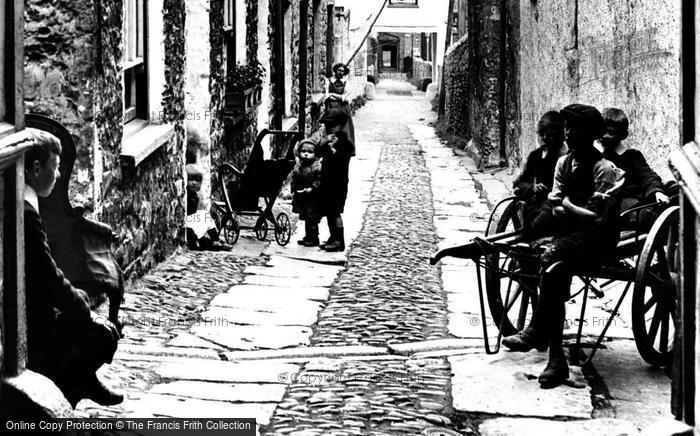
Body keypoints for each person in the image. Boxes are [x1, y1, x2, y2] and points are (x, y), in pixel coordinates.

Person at [502, 104, 625, 389]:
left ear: (591, 135)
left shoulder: (603, 169)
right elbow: (555, 208)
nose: (568, 134)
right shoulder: (563, 164)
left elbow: (598, 221)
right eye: (567, 128)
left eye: (576, 129)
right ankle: (556, 359)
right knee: (553, 268)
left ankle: (538, 331)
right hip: (570, 236)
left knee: (552, 256)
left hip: (599, 242)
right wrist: (572, 208)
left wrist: (569, 206)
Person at [24, 128, 123, 408]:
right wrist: (83, 308)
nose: (57, 176)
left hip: (36, 309)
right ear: (35, 168)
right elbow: (48, 276)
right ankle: (65, 398)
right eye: (55, 168)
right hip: (33, 324)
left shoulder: (27, 202)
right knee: (104, 335)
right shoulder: (27, 213)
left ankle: (83, 381)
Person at [599, 108, 672, 231]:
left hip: (637, 201)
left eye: (611, 132)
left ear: (622, 135)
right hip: (616, 207)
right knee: (643, 215)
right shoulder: (597, 158)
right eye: (602, 131)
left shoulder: (632, 155)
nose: (605, 136)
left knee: (672, 188)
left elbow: (646, 176)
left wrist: (656, 192)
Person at [512, 111, 568, 237]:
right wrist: (533, 188)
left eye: (549, 136)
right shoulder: (535, 156)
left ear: (560, 137)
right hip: (535, 204)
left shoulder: (567, 158)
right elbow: (519, 183)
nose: (544, 139)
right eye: (541, 134)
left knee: (544, 217)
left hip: (556, 208)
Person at [318, 108, 356, 252]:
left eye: (332, 126)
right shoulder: (328, 139)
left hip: (338, 183)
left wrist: (334, 149)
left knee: (335, 212)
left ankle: (339, 240)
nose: (330, 129)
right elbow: (317, 153)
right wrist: (324, 142)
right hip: (327, 181)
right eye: (327, 126)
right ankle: (332, 237)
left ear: (341, 125)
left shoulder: (345, 142)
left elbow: (343, 159)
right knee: (328, 211)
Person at [186, 164, 231, 251]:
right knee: (192, 231)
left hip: (191, 218)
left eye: (197, 180)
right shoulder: (186, 195)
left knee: (205, 216)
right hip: (186, 223)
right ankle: (208, 243)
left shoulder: (195, 195)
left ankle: (216, 238)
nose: (194, 183)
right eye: (191, 179)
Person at [292, 139, 323, 246]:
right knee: (305, 216)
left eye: (310, 152)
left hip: (313, 197)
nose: (306, 154)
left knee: (312, 217)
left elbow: (319, 179)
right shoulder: (299, 165)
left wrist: (313, 188)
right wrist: (293, 188)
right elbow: (295, 177)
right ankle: (307, 236)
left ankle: (314, 238)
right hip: (302, 195)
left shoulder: (316, 166)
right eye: (303, 151)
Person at [325, 63, 355, 147]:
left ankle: (344, 149)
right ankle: (331, 149)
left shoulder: (346, 83)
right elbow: (327, 96)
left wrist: (333, 95)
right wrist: (338, 97)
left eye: (342, 71)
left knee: (344, 129)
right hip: (331, 108)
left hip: (343, 108)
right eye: (339, 70)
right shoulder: (329, 81)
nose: (340, 72)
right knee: (332, 129)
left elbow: (344, 98)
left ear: (344, 73)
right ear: (335, 70)